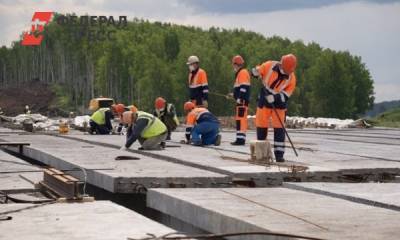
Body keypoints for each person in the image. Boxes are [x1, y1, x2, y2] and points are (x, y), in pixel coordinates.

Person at [251, 54, 297, 162]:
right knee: (261, 124)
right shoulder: (269, 65)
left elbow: (286, 95)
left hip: (279, 103)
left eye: (289, 71)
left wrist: (275, 98)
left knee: (279, 128)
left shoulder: (292, 78)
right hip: (265, 97)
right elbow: (259, 70)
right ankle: (262, 152)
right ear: (281, 65)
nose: (288, 73)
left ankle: (279, 154)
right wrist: (255, 72)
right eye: (286, 71)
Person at [230, 55, 251, 145]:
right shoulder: (241, 73)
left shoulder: (242, 73)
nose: (233, 66)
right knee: (239, 119)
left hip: (242, 101)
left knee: (241, 120)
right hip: (241, 101)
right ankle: (239, 138)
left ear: (236, 64)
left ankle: (241, 140)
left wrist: (240, 98)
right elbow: (239, 89)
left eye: (233, 64)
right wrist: (233, 95)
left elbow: (243, 88)